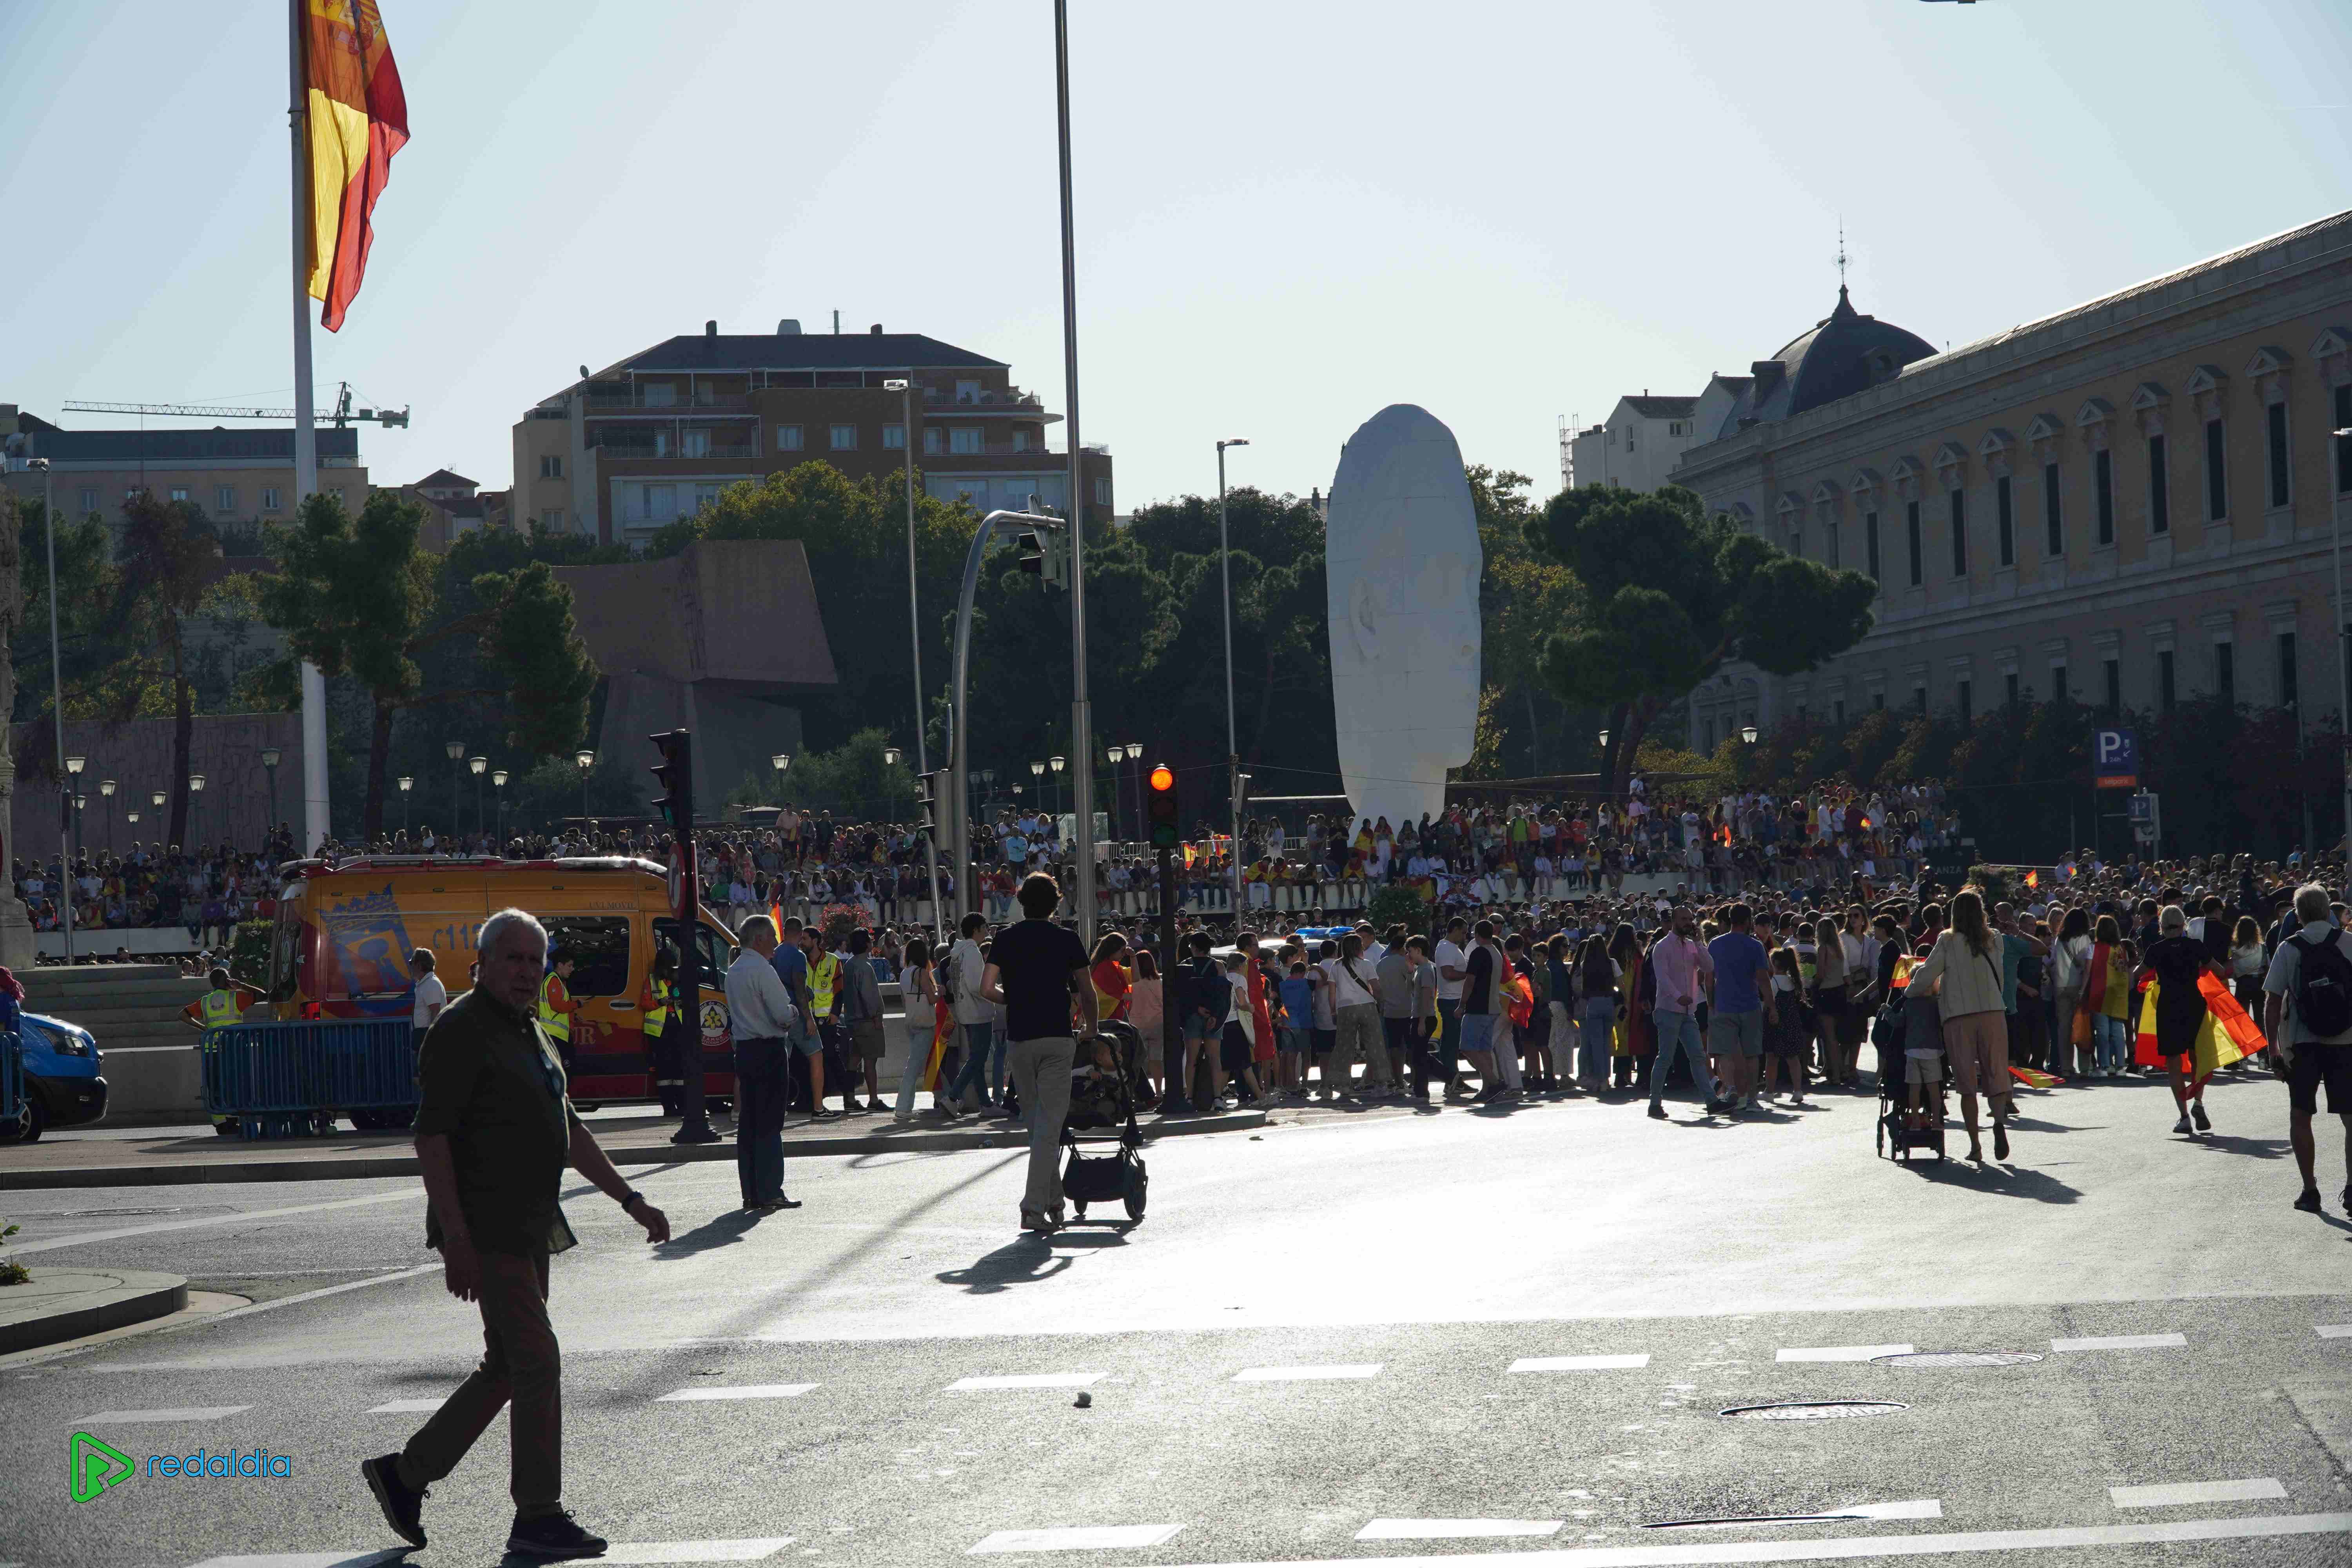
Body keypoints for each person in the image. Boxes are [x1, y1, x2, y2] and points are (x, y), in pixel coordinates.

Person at [361, 907, 671, 1560]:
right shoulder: (461, 1030)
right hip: (487, 1226)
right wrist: (457, 1240)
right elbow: (431, 1138)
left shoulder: (530, 1029)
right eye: (515, 959)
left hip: (530, 1224)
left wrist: (631, 1200)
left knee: (507, 1366)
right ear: (484, 964)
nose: (528, 972)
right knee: (537, 1359)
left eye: (536, 960)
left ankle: (406, 1475)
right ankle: (538, 1514)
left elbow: (571, 1130)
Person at [979, 873, 1098, 1234]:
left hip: (1020, 1038)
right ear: (1056, 903)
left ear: (1020, 901)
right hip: (1057, 1038)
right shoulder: (1067, 938)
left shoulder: (1005, 938)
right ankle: (1033, 1209)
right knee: (1049, 1127)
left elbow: (987, 988)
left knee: (1038, 1128)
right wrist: (1092, 1029)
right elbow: (1087, 991)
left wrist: (1013, 999)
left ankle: (1055, 1202)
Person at [2262, 882, 2352, 1214]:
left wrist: (2273, 1049)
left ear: (2298, 915)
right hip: (2346, 1042)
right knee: (2351, 1118)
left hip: (2302, 1043)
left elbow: (2273, 1001)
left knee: (2301, 1115)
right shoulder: (2348, 942)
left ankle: (2310, 1191)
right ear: (2329, 911)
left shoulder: (2289, 948)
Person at [1909, 889, 2016, 1163]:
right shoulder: (1994, 938)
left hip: (1958, 1016)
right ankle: (1999, 1122)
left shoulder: (1947, 940)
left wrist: (1909, 992)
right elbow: (2000, 975)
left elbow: (1927, 973)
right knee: (1996, 1072)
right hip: (1992, 1011)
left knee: (1967, 1084)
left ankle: (1976, 1146)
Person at [725, 916, 800, 1212]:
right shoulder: (763, 970)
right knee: (770, 1123)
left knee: (749, 1123)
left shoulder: (733, 971)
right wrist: (794, 1012)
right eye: (772, 937)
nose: (775, 943)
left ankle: (752, 1191)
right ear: (758, 939)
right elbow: (782, 1014)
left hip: (745, 1050)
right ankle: (771, 1190)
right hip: (769, 1049)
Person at [2136, 904, 2221, 1135]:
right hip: (2194, 1005)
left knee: (2173, 1063)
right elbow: (2219, 970)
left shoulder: (2156, 949)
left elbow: (2137, 974)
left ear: (2161, 927)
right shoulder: (2195, 946)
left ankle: (2184, 1117)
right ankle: (2198, 1102)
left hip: (2169, 1008)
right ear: (2184, 925)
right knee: (2198, 1057)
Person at [1646, 905, 1717, 1120]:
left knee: (1698, 1056)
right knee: (1665, 1058)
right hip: (1668, 1010)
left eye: (1690, 919)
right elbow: (1662, 978)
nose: (1688, 923)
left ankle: (1712, 1101)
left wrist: (1699, 942)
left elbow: (1709, 966)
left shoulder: (1692, 945)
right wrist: (1678, 996)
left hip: (1688, 1012)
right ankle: (1655, 1104)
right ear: (1674, 921)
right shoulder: (1662, 946)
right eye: (1684, 919)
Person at [1704, 903, 1770, 1114]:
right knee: (1752, 1054)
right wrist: (1772, 1005)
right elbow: (1763, 978)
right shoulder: (1755, 945)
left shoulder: (1715, 944)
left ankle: (1731, 1090)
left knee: (1724, 1052)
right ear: (1749, 921)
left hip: (1723, 1005)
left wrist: (1711, 1004)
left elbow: (1708, 979)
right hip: (1750, 1005)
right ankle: (1751, 1099)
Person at [943, 912, 1001, 1115]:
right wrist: (1000, 995)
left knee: (977, 1060)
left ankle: (985, 1104)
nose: (987, 931)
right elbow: (978, 987)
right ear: (976, 930)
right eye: (985, 928)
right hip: (979, 1013)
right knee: (977, 1059)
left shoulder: (958, 954)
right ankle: (952, 1097)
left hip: (966, 1012)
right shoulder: (973, 953)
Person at [841, 929, 887, 1114]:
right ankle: (874, 1099)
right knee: (870, 1060)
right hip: (867, 1021)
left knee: (853, 1060)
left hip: (853, 1020)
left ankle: (850, 1099)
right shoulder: (865, 967)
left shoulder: (850, 964)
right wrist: (876, 1017)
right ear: (866, 944)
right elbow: (869, 996)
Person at [536, 949, 578, 1073]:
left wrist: (573, 1014)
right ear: (560, 965)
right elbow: (557, 1006)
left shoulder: (559, 982)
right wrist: (577, 1004)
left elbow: (560, 1008)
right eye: (570, 966)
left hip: (558, 1036)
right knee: (564, 1073)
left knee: (564, 1072)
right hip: (555, 1036)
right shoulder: (554, 981)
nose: (572, 969)